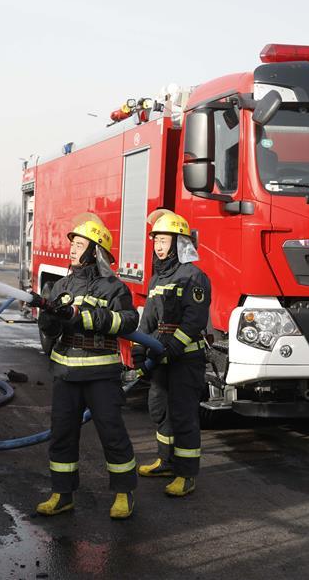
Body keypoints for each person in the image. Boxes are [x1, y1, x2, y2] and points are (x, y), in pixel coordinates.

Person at [35, 213, 140, 520]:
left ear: (94, 250)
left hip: (100, 375)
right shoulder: (61, 286)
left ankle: (123, 493)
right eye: (73, 243)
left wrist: (87, 317)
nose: (71, 249)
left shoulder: (113, 288)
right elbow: (50, 332)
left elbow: (128, 321)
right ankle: (61, 494)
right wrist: (50, 316)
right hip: (65, 373)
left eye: (79, 244)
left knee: (112, 432)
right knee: (62, 434)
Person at [132, 209, 211, 498]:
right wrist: (140, 352)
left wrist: (171, 347)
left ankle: (186, 474)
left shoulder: (194, 277)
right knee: (159, 410)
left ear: (180, 243)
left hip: (185, 359)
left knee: (183, 414)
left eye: (165, 240)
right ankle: (165, 462)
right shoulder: (156, 280)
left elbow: (194, 320)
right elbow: (147, 321)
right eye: (157, 241)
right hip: (161, 357)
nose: (159, 246)